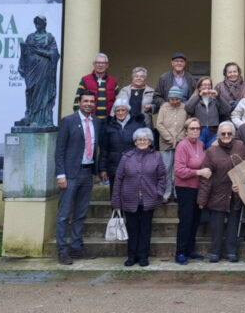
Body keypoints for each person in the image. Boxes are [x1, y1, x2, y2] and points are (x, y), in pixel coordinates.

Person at [54, 90, 105, 265]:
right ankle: (62, 250)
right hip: (70, 174)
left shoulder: (97, 123)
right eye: (86, 101)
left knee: (81, 213)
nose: (89, 104)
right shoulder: (68, 121)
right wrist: (61, 174)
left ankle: (76, 247)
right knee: (64, 214)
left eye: (92, 101)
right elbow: (60, 150)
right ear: (79, 102)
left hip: (87, 172)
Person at [111, 127, 166, 267]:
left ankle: (143, 256)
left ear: (150, 142)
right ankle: (131, 256)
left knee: (145, 230)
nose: (142, 142)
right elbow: (118, 179)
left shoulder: (156, 157)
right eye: (139, 140)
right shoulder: (126, 157)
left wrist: (158, 193)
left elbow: (162, 177)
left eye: (145, 139)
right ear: (135, 142)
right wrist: (116, 200)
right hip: (129, 199)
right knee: (132, 229)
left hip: (149, 199)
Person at [197, 121, 245, 263]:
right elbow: (205, 176)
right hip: (217, 193)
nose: (226, 135)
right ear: (218, 135)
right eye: (223, 133)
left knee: (233, 225)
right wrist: (202, 199)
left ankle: (231, 251)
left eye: (229, 133)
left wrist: (242, 185)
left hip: (236, 194)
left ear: (233, 134)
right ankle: (215, 251)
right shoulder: (211, 151)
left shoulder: (240, 146)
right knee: (217, 226)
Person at [173, 118, 211, 265]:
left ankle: (190, 250)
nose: (195, 131)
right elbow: (179, 171)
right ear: (186, 130)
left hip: (198, 188)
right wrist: (199, 173)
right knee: (186, 221)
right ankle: (180, 252)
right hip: (185, 188)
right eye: (192, 128)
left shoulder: (201, 144)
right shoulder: (182, 146)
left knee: (195, 221)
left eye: (197, 128)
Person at [16, 15, 60, 128]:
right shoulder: (30, 37)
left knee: (42, 93)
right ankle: (29, 115)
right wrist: (21, 65)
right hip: (30, 69)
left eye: (39, 23)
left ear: (44, 24)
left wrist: (39, 51)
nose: (37, 25)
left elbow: (54, 54)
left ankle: (41, 119)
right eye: (36, 23)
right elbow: (24, 52)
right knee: (30, 90)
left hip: (44, 69)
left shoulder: (49, 38)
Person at [99, 97, 146, 197]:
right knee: (115, 196)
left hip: (133, 167)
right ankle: (117, 213)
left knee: (131, 197)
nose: (120, 113)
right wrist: (103, 169)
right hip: (114, 167)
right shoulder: (108, 126)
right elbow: (104, 149)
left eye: (123, 110)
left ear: (128, 111)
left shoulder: (138, 125)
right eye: (117, 110)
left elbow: (144, 147)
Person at [156, 86, 188, 203]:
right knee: (166, 169)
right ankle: (166, 193)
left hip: (181, 143)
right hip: (166, 143)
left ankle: (177, 193)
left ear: (180, 99)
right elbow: (159, 124)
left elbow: (187, 124)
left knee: (178, 170)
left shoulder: (185, 108)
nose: (174, 102)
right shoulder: (163, 108)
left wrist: (180, 138)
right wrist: (169, 138)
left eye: (177, 99)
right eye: (172, 99)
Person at [72, 52, 118, 120]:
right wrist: (81, 119)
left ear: (107, 65)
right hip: (90, 121)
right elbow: (77, 103)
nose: (100, 65)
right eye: (98, 62)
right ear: (94, 64)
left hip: (109, 122)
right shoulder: (85, 80)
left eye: (103, 63)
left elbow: (118, 103)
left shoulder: (113, 81)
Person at [185, 76, 230, 143]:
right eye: (204, 85)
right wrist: (199, 96)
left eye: (209, 85)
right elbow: (188, 109)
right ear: (199, 87)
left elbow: (227, 110)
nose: (207, 87)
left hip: (213, 131)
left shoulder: (215, 100)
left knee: (212, 151)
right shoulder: (195, 99)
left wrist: (218, 97)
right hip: (199, 130)